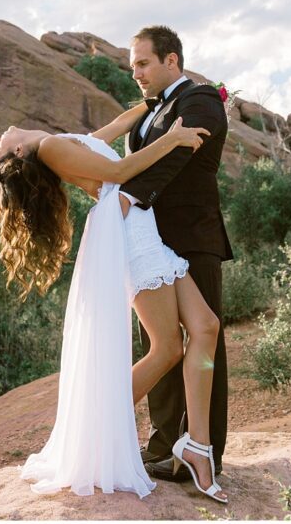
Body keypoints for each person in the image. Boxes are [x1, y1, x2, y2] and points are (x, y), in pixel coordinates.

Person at [0, 92, 227, 503]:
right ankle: (96, 428)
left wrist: (159, 105)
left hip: (139, 225)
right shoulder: (50, 147)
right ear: (19, 151)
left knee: (206, 326)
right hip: (130, 231)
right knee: (167, 346)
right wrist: (173, 137)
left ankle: (196, 446)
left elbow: (114, 130)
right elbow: (121, 168)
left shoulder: (60, 143)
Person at [117, 25, 233, 486]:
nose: (137, 74)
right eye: (133, 68)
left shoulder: (200, 99)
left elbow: (179, 156)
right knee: (159, 346)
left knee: (205, 344)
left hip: (192, 237)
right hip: (151, 241)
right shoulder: (147, 112)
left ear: (172, 60)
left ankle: (205, 451)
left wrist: (129, 200)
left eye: (143, 63)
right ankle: (164, 446)